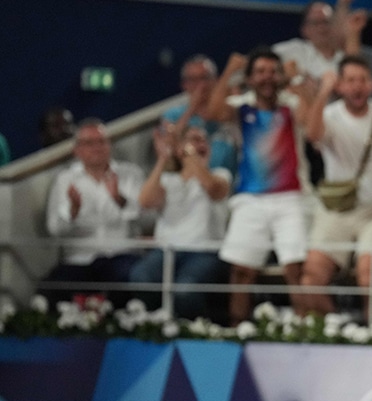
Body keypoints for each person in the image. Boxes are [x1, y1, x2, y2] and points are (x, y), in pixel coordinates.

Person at [300, 55, 372, 318]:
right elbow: (312, 136)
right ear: (340, 85)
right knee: (310, 280)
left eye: (362, 80)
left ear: (371, 84)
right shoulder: (329, 114)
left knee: (368, 275)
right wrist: (323, 91)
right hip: (337, 212)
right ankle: (340, 330)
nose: (357, 86)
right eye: (350, 80)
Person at [206, 48, 311, 325]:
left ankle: (307, 331)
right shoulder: (242, 107)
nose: (268, 77)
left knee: (296, 271)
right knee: (241, 272)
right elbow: (213, 112)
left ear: (281, 76)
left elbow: (311, 124)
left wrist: (297, 79)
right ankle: (237, 332)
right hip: (250, 198)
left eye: (273, 71)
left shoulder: (292, 104)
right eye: (260, 72)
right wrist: (229, 72)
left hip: (290, 197)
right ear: (250, 78)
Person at [130, 123, 231, 319]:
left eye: (203, 140)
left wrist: (189, 155)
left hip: (205, 251)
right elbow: (145, 201)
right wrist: (163, 159)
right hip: (167, 250)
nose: (199, 145)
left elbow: (213, 189)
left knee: (185, 291)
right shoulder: (168, 180)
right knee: (140, 278)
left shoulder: (220, 174)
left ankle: (193, 331)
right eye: (193, 140)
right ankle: (156, 323)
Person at [42, 119, 145, 305]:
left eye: (102, 142)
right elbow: (54, 229)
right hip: (80, 257)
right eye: (90, 143)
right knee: (54, 286)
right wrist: (72, 211)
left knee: (127, 278)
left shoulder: (131, 174)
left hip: (121, 253)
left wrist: (119, 199)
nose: (97, 148)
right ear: (77, 150)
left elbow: (145, 218)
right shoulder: (65, 180)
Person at [161, 55, 238, 177]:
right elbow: (168, 146)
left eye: (205, 78)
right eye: (193, 80)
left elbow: (220, 115)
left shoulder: (227, 107)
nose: (201, 85)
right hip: (190, 183)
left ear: (215, 80)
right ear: (184, 84)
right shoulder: (173, 114)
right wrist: (192, 109)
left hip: (228, 181)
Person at [274, 0, 348, 81]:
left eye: (326, 22)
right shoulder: (292, 50)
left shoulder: (344, 57)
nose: (322, 28)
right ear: (304, 29)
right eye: (315, 23)